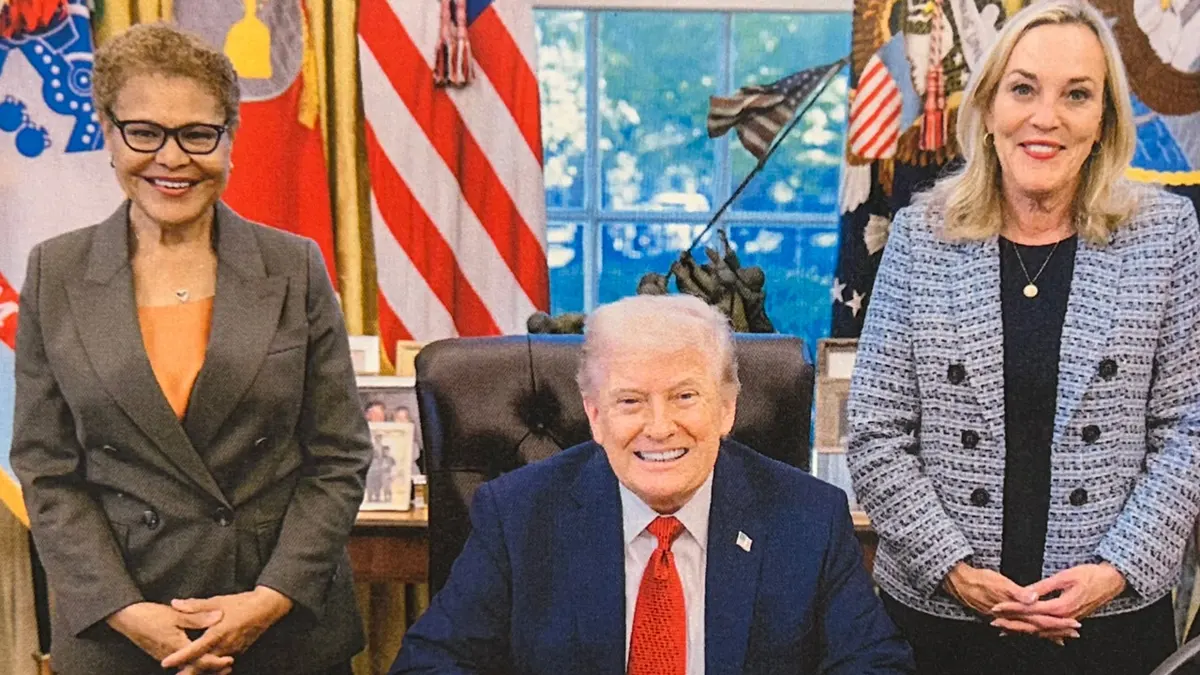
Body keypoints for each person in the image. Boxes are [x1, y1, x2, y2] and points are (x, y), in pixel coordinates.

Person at [846, 2, 1200, 674]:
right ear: (988, 106)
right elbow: (875, 431)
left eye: (1077, 95)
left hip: (1109, 628)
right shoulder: (920, 235)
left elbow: (1189, 429)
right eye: (1023, 89)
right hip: (938, 625)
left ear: (1105, 120)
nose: (1046, 117)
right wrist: (953, 569)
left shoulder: (1167, 234)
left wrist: (1116, 570)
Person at [10, 23, 372, 675]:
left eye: (198, 134)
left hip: (282, 630)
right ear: (109, 133)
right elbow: (47, 468)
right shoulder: (53, 272)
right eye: (144, 132)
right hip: (121, 633)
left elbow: (338, 455)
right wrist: (126, 611)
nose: (171, 158)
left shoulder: (295, 266)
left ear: (230, 138)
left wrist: (270, 598)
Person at [391, 294, 914, 674]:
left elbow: (875, 665)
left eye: (685, 396)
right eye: (630, 401)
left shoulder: (809, 519)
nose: (659, 427)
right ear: (595, 416)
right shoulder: (519, 515)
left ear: (726, 408)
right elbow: (431, 663)